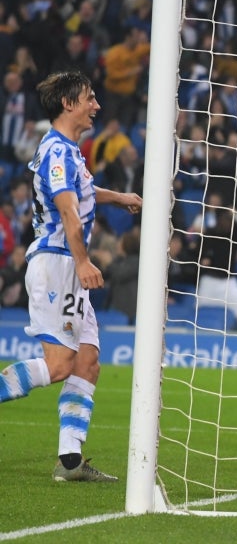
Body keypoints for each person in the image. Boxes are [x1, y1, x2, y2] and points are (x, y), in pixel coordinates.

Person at [0, 70, 142, 481]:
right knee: (60, 364)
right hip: (58, 263)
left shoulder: (69, 152)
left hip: (67, 265)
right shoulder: (58, 152)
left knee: (88, 361)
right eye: (90, 98)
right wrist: (83, 262)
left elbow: (82, 193)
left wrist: (121, 198)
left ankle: (70, 460)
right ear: (68, 104)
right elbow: (67, 210)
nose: (96, 105)